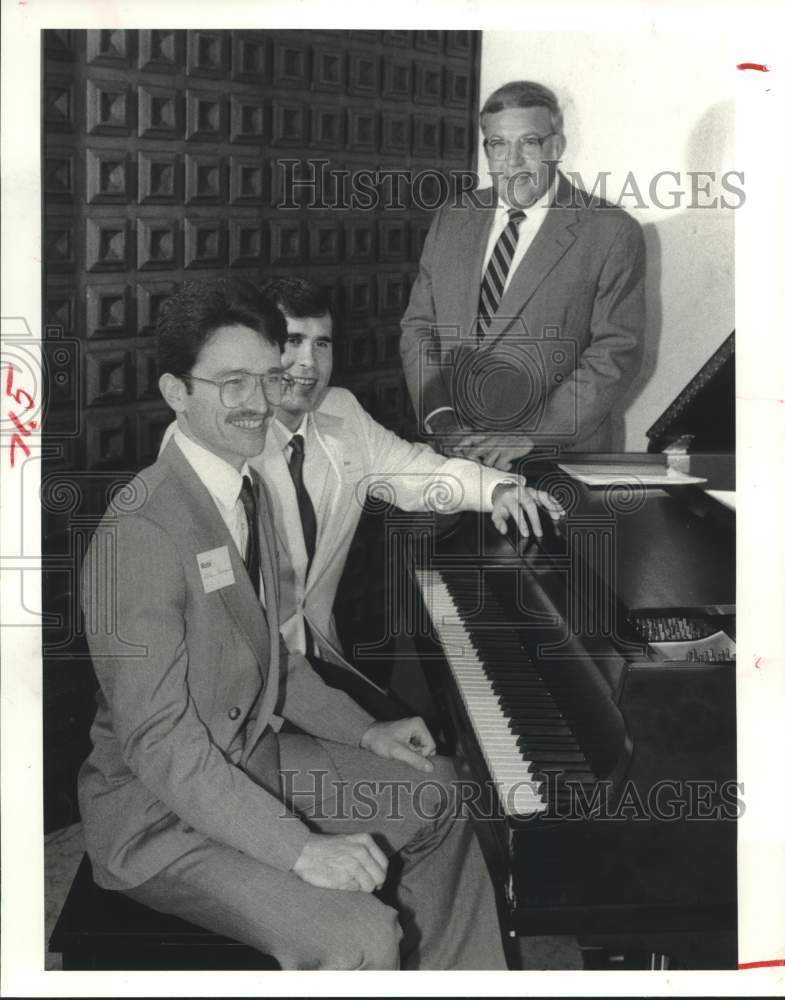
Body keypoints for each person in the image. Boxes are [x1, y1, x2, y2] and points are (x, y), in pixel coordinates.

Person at [77, 277, 509, 970]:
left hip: (255, 764)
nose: (258, 403)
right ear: (175, 392)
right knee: (362, 937)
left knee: (442, 792)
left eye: (267, 378)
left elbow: (277, 656)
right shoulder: (141, 531)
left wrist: (363, 729)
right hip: (160, 816)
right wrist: (300, 849)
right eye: (231, 383)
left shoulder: (247, 489)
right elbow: (158, 743)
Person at [254, 277, 564, 699]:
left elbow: (420, 471)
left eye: (322, 344)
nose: (309, 362)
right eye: (293, 341)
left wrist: (500, 490)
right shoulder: (223, 431)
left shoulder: (341, 411)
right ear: (260, 346)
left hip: (324, 666)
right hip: (241, 682)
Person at [400, 79, 646, 469]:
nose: (512, 162)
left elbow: (615, 353)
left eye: (528, 143)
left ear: (556, 147)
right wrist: (440, 419)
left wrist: (533, 434)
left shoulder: (611, 230)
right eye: (498, 145)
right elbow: (418, 327)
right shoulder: (452, 218)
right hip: (454, 455)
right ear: (487, 150)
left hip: (555, 458)